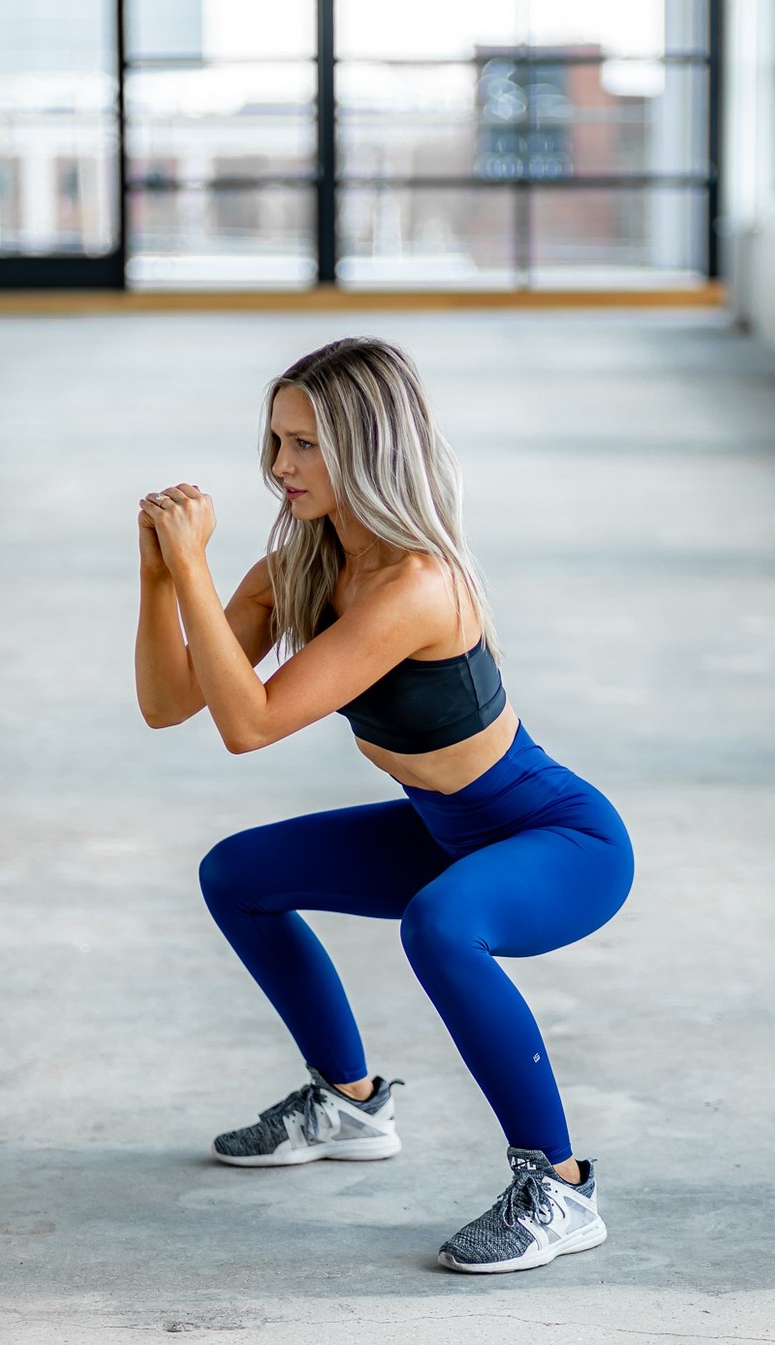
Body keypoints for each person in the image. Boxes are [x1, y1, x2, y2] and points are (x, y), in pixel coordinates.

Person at [134, 337, 634, 1274]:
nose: (280, 466)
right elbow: (170, 704)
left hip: (558, 841)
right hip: (445, 834)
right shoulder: (300, 570)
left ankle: (561, 1188)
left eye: (306, 445)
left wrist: (194, 568)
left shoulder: (416, 585)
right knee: (236, 874)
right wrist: (161, 575)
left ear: (368, 449)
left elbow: (250, 725)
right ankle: (348, 1103)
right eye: (276, 441)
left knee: (440, 923)